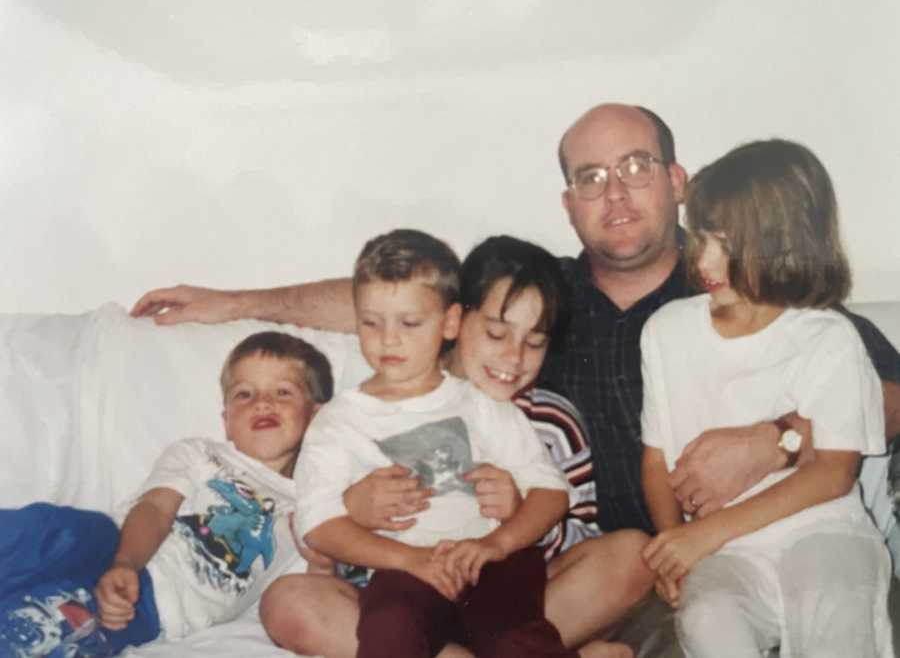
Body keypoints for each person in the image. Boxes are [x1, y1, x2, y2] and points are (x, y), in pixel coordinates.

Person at [129, 103, 900, 537]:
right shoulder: (536, 300)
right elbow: (395, 299)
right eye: (590, 178)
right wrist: (233, 304)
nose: (616, 193)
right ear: (569, 205)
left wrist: (782, 436)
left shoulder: (746, 283)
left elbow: (883, 386)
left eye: (636, 167)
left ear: (676, 181)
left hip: (719, 555)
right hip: (570, 560)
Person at [260, 235, 648, 658]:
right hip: (402, 575)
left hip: (501, 573)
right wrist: (357, 511)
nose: (512, 357)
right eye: (496, 333)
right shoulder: (343, 418)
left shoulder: (526, 416)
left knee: (618, 564)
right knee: (305, 606)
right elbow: (317, 524)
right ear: (458, 322)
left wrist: (511, 522)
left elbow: (562, 507)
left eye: (534, 343)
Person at [640, 139, 893, 656]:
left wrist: (702, 535)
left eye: (727, 244)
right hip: (726, 552)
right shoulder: (665, 331)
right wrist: (675, 548)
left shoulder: (827, 336)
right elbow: (656, 457)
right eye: (702, 237)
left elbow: (832, 473)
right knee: (709, 619)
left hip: (823, 532)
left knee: (832, 608)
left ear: (785, 245)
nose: (705, 260)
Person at [0, 331, 333, 657]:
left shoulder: (313, 510)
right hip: (114, 543)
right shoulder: (201, 454)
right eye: (244, 394)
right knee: (46, 530)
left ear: (317, 416)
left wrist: (323, 561)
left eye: (283, 392)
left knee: (41, 627)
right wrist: (125, 562)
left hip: (154, 605)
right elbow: (156, 508)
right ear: (226, 420)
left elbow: (310, 594)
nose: (262, 403)